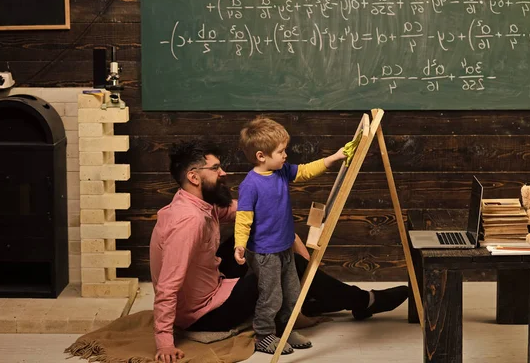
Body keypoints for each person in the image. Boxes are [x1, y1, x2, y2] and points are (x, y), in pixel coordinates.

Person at [150, 140, 409, 363]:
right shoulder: (188, 222)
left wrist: (289, 234)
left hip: (214, 283)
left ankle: (315, 300)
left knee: (263, 238)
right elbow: (167, 284)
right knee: (288, 265)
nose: (223, 173)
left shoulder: (199, 204)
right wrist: (164, 342)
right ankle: (363, 302)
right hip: (205, 315)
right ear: (194, 177)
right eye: (215, 168)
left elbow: (245, 212)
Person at [233, 117, 347, 354]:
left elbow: (305, 171)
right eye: (281, 151)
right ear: (261, 156)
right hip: (265, 253)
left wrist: (334, 158)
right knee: (271, 296)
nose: (286, 155)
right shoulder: (250, 185)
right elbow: (243, 219)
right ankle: (264, 335)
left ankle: (285, 328)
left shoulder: (282, 171)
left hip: (284, 247)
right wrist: (240, 245)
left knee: (293, 293)